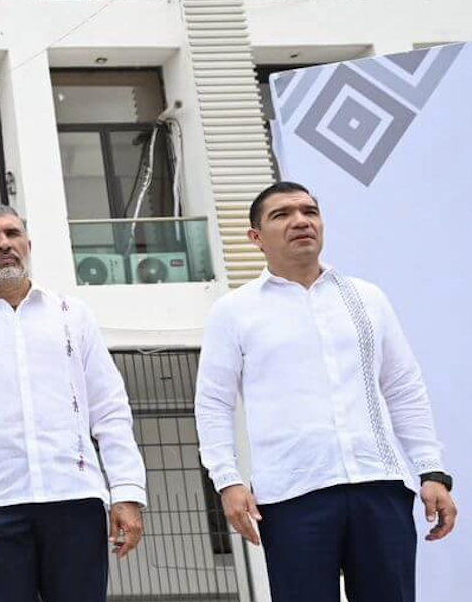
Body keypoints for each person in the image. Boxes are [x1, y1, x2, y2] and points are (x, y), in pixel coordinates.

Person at [195, 181, 457, 602]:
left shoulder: (367, 298)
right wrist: (227, 481)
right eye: (282, 215)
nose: (300, 221)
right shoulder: (234, 311)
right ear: (256, 237)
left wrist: (432, 472)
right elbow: (213, 402)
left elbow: (403, 387)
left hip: (379, 485)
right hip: (292, 495)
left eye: (309, 212)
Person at [0, 206, 147, 602]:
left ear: (28, 245)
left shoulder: (72, 315)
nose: (4, 244)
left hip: (74, 497)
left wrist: (126, 491)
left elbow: (109, 408)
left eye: (12, 234)